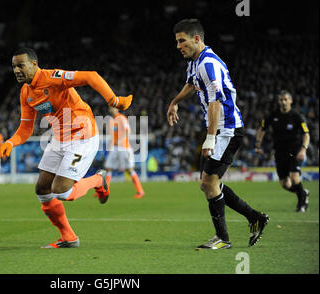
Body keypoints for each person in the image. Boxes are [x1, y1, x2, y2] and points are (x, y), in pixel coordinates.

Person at [0, 48, 132, 248]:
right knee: (42, 189)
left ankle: (98, 179)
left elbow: (90, 76)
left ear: (34, 64)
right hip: (60, 139)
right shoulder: (26, 93)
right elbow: (25, 129)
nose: (16, 70)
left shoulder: (53, 77)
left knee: (60, 191)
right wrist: (10, 142)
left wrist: (114, 100)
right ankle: (69, 237)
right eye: (14, 66)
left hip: (82, 136)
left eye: (20, 65)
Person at [166, 19, 269, 250]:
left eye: (181, 41)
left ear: (196, 39)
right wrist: (175, 102)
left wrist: (210, 138)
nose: (178, 46)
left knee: (208, 183)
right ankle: (254, 218)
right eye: (176, 41)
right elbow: (191, 85)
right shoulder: (195, 63)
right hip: (221, 130)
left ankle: (223, 238)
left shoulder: (208, 64)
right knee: (209, 183)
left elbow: (216, 102)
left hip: (227, 130)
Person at [255, 90, 310, 212]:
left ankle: (301, 204)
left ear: (291, 101)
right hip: (279, 152)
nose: (283, 102)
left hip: (295, 151)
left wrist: (303, 149)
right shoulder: (272, 116)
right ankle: (303, 193)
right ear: (278, 101)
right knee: (285, 184)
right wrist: (258, 144)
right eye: (281, 100)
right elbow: (262, 129)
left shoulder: (297, 117)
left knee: (294, 176)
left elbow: (306, 134)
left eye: (286, 99)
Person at [105, 106, 144, 198]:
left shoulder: (122, 118)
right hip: (115, 147)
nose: (111, 109)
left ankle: (140, 191)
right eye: (110, 108)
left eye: (113, 108)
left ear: (117, 109)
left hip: (124, 147)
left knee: (129, 169)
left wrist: (121, 140)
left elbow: (128, 131)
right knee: (108, 168)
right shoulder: (112, 120)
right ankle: (105, 191)